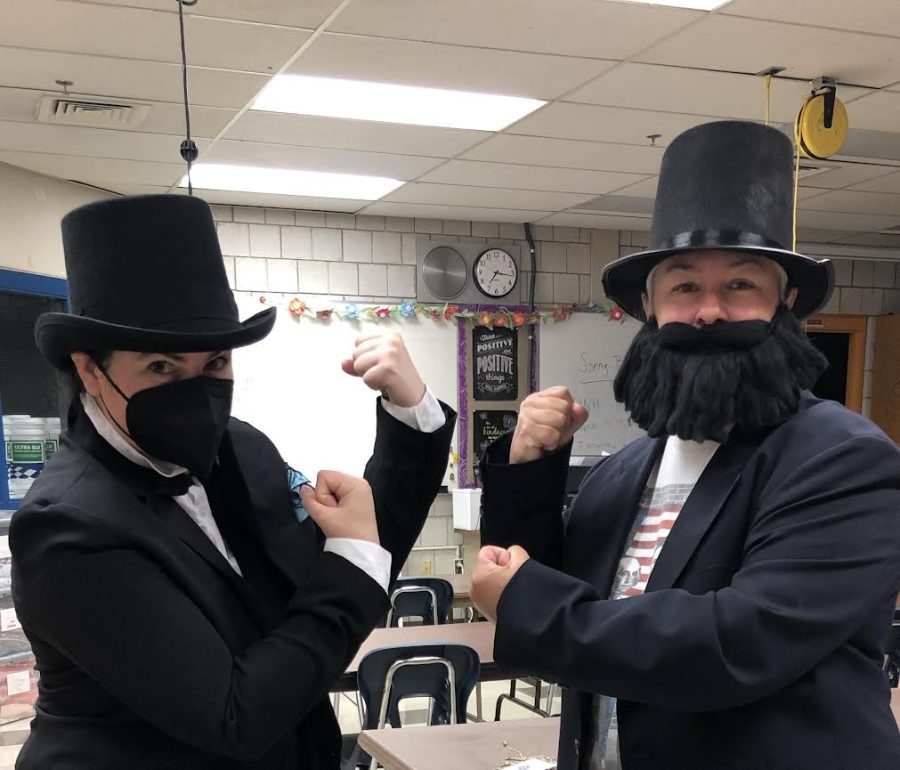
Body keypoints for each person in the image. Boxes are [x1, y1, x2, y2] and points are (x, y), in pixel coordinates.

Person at [471, 121, 900, 770]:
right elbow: (543, 579)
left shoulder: (842, 460)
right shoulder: (621, 473)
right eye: (684, 286)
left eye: (739, 285)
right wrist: (529, 468)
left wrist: (531, 605)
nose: (708, 312)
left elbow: (734, 645)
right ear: (649, 306)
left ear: (784, 302)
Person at [10, 195, 456, 769]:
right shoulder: (66, 529)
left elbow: (350, 574)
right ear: (90, 370)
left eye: (216, 363)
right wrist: (351, 561)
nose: (197, 393)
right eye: (161, 368)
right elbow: (234, 713)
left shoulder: (239, 448)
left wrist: (411, 417)